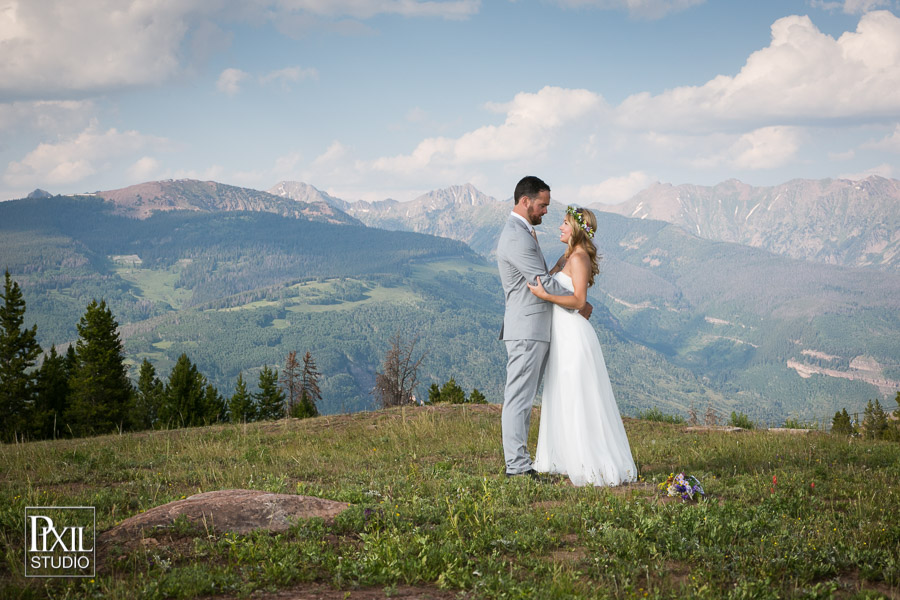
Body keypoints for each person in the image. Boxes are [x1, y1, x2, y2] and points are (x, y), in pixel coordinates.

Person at [528, 206, 637, 487]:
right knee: (562, 393)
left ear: (576, 229)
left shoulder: (579, 258)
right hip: (562, 335)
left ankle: (588, 462)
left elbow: (577, 301)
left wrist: (544, 296)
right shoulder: (567, 256)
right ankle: (565, 458)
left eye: (564, 224)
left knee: (578, 395)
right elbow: (549, 278)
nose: (560, 228)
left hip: (573, 335)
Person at [496, 176, 591, 478]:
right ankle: (517, 467)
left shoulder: (524, 232)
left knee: (525, 398)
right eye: (543, 205)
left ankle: (526, 461)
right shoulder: (516, 235)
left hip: (536, 328)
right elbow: (541, 282)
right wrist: (580, 301)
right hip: (527, 329)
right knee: (519, 400)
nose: (546, 212)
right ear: (525, 201)